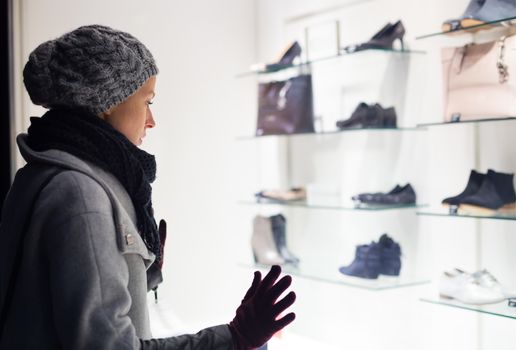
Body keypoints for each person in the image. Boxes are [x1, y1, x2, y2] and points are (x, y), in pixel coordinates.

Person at [0, 25, 296, 349]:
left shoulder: (46, 172)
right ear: (108, 101)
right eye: (147, 101)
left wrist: (141, 272)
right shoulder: (83, 195)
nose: (151, 120)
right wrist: (235, 337)